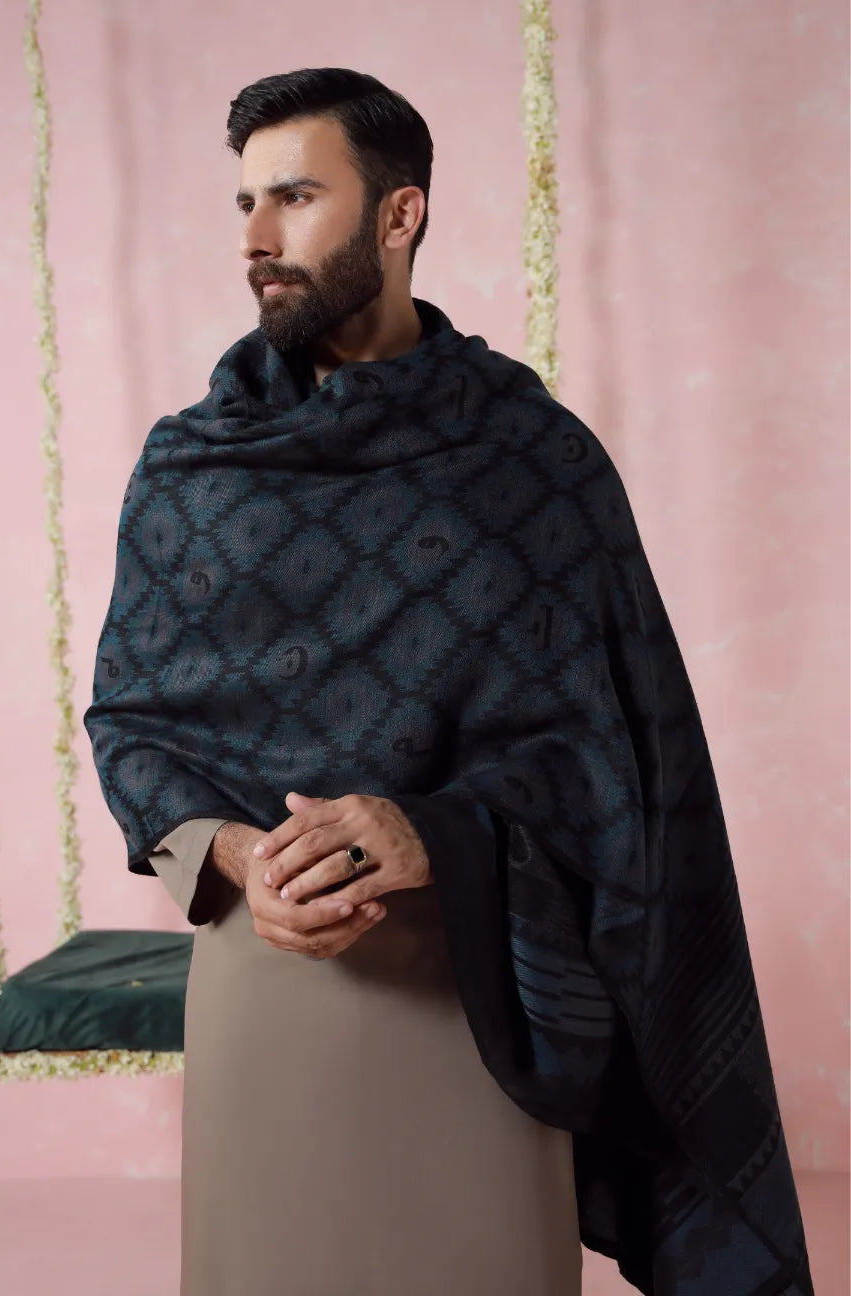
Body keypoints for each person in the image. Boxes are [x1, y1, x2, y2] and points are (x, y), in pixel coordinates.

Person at [84, 68, 812, 1296]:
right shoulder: (192, 467)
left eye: (295, 197)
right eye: (245, 203)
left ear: (399, 214)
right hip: (270, 983)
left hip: (486, 994)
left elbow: (619, 761)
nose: (256, 237)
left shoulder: (532, 461)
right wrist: (239, 857)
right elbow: (133, 721)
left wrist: (432, 832)